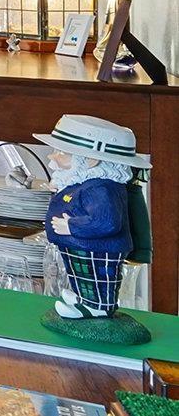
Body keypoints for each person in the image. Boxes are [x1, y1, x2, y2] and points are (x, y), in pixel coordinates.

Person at [38, 113, 152, 322]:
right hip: (80, 245)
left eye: (62, 153)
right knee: (82, 277)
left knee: (97, 279)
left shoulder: (101, 188)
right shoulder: (86, 182)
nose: (52, 157)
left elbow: (106, 222)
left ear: (90, 161)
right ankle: (84, 300)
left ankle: (98, 307)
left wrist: (71, 226)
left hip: (98, 249)